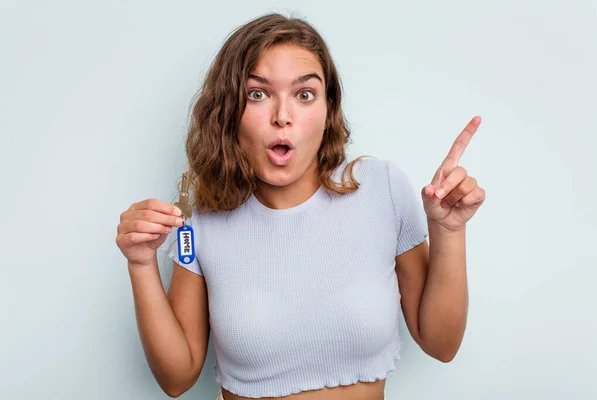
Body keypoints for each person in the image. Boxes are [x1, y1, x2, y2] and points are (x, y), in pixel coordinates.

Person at [115, 12, 486, 400]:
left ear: (328, 111)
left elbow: (441, 345)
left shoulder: (382, 189)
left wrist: (449, 231)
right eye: (257, 94)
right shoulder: (202, 219)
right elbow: (177, 379)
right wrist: (140, 264)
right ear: (228, 113)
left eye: (304, 94)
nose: (282, 117)